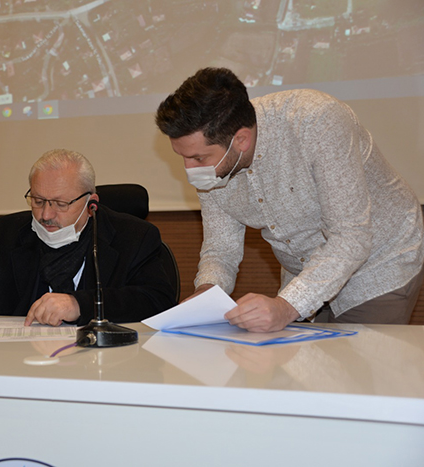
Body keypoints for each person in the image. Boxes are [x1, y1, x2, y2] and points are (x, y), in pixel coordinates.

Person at [155, 67, 424, 332]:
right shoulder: (214, 163)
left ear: (241, 140)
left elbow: (351, 236)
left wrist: (287, 306)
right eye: (183, 157)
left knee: (358, 358)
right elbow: (221, 249)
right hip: (304, 272)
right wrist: (207, 291)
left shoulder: (317, 121)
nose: (189, 169)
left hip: (377, 263)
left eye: (198, 158)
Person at [0, 149, 176, 327]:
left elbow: (157, 301)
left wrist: (79, 304)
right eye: (38, 201)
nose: (46, 215)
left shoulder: (134, 236)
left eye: (60, 204)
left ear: (91, 204)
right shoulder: (9, 233)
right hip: (23, 364)